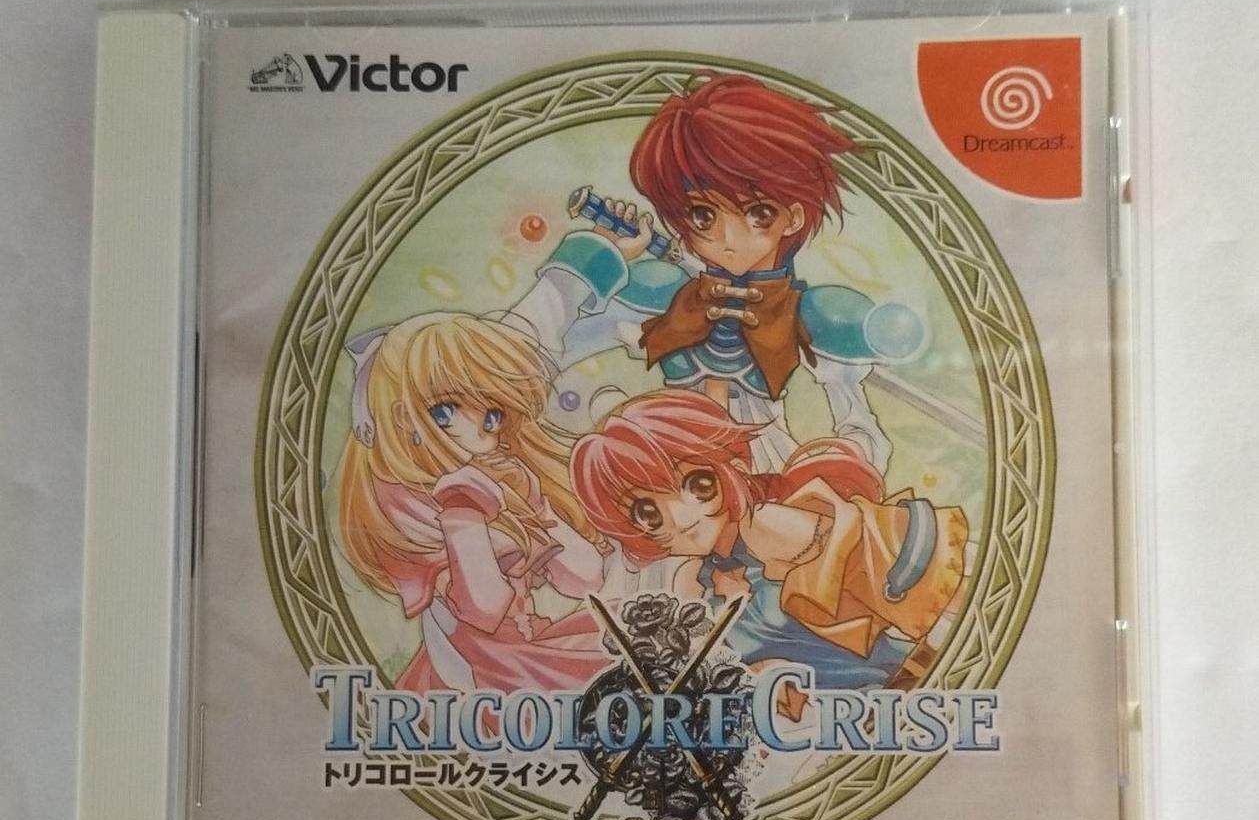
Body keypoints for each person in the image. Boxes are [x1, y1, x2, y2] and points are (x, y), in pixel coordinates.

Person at [509, 74, 924, 472]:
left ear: (794, 217)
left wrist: (830, 474)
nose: (728, 239)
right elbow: (513, 357)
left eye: (758, 212)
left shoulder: (810, 313)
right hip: (664, 474)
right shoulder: (665, 293)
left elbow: (862, 438)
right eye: (703, 216)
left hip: (763, 476)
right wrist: (602, 250)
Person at [571, 391, 967, 695]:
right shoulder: (692, 580)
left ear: (731, 467)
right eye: (648, 512)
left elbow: (905, 582)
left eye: (697, 484)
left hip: (892, 691)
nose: (680, 516)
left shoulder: (768, 526)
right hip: (813, 717)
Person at [338, 313, 610, 696]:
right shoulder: (407, 505)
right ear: (404, 418)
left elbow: (585, 579)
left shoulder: (501, 480)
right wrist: (464, 512)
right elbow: (484, 608)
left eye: (492, 416)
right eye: (445, 412)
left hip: (529, 647)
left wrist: (537, 506)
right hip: (480, 671)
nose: (478, 432)